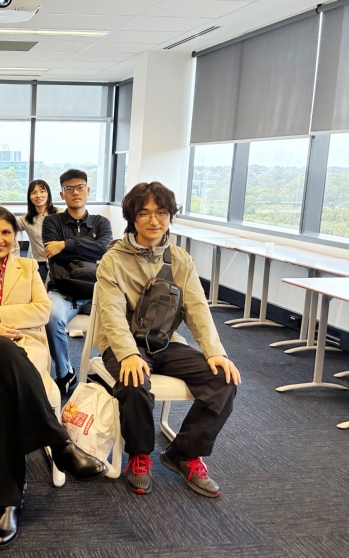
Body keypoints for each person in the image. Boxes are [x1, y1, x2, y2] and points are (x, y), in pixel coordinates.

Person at [0, 207, 107, 550]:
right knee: (0, 346)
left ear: (15, 236)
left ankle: (7, 503)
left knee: (6, 394)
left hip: (22, 352)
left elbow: (41, 310)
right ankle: (60, 444)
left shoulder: (28, 268)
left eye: (6, 233)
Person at [96, 181, 240, 497]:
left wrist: (215, 352)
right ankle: (139, 455)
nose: (154, 220)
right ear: (132, 217)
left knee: (224, 379)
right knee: (133, 381)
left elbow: (197, 308)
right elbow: (112, 314)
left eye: (161, 212)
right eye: (144, 213)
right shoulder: (113, 261)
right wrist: (128, 354)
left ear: (170, 216)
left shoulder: (180, 259)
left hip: (164, 341)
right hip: (123, 343)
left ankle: (183, 454)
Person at [42, 169, 113, 394]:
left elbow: (104, 249)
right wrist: (88, 249)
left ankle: (104, 369)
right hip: (63, 291)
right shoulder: (51, 222)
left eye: (80, 187)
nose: (75, 192)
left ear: (88, 190)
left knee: (123, 315)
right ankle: (65, 372)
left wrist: (65, 245)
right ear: (62, 194)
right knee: (51, 316)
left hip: (96, 292)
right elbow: (53, 254)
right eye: (69, 188)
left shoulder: (101, 222)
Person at [17, 179, 58, 283]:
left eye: (42, 191)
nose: (38, 195)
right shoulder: (26, 219)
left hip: (61, 262)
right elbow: (7, 226)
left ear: (48, 194)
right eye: (34, 192)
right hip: (41, 264)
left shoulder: (60, 213)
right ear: (29, 196)